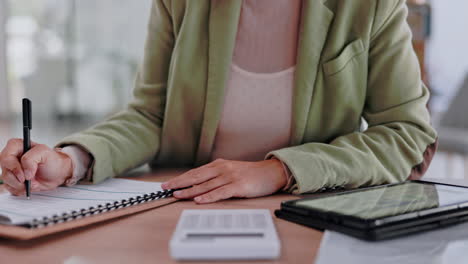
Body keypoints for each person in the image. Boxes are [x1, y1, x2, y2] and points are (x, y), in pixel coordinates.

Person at [0, 0, 437, 204]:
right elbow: (152, 116)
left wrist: (279, 171)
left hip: (313, 208)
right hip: (187, 205)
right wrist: (70, 159)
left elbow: (408, 134)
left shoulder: (370, 6)